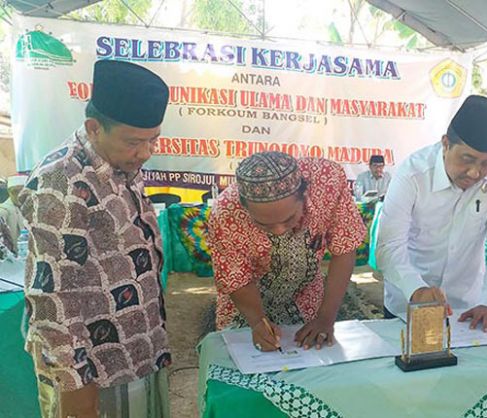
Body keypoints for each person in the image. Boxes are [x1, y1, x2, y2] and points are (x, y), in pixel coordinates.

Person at [17, 60, 171, 418]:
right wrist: (77, 387)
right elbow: (52, 295)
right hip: (93, 370)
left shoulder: (121, 161)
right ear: (93, 127)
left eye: (154, 139)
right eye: (135, 142)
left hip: (137, 349)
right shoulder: (62, 181)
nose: (146, 152)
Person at [377, 94, 487, 332]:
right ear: (445, 144)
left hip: (469, 307)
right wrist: (416, 289)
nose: (475, 172)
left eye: (486, 164)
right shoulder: (413, 173)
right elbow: (389, 246)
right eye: (467, 159)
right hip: (407, 301)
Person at [208, 151, 366, 351]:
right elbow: (235, 278)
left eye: (289, 219)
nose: (279, 231)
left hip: (307, 300)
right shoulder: (225, 212)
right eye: (264, 224)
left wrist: (325, 317)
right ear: (244, 208)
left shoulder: (328, 181)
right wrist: (257, 323)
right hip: (246, 307)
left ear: (304, 194)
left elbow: (345, 247)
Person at [0, 174, 28, 248]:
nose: (19, 195)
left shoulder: (32, 208)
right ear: (9, 192)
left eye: (22, 191)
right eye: (15, 192)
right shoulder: (3, 210)